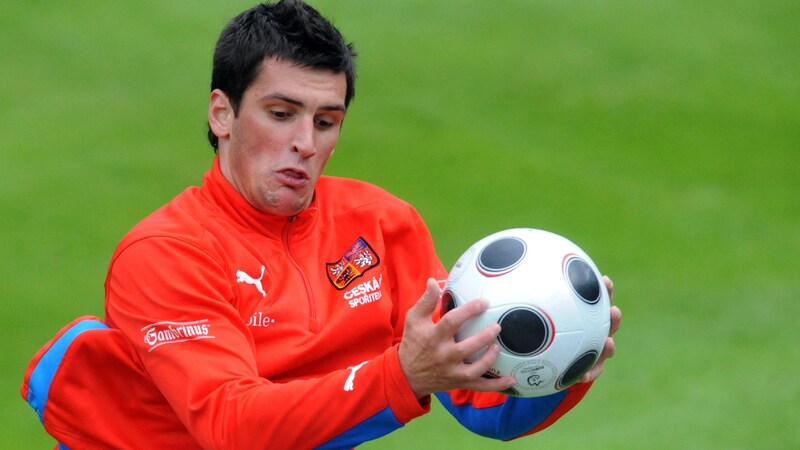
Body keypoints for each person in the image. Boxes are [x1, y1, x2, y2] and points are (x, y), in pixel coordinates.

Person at [21, 1, 622, 448]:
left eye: (327, 121)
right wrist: (400, 374)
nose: (304, 144)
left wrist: (561, 358)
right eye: (281, 114)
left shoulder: (381, 225)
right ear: (222, 113)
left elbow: (479, 401)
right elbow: (233, 427)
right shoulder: (165, 254)